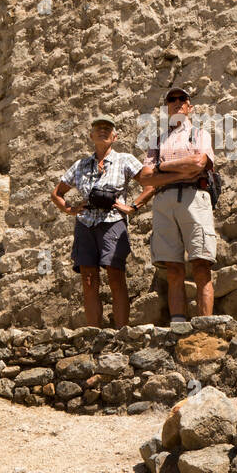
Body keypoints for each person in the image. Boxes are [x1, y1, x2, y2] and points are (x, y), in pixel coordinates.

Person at [52, 115, 152, 327]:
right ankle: (93, 334)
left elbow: (150, 184)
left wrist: (132, 207)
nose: (102, 131)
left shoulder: (125, 159)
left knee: (116, 276)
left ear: (115, 136)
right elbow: (57, 193)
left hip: (113, 221)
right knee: (88, 280)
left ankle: (122, 331)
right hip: (85, 224)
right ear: (91, 135)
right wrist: (69, 209)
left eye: (107, 128)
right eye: (98, 128)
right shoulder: (80, 164)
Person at [136, 86, 216, 323]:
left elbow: (199, 162)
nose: (177, 102)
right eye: (172, 99)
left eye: (183, 99)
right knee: (172, 269)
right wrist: (179, 171)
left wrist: (162, 167)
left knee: (201, 263)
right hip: (165, 203)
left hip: (194, 198)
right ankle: (178, 324)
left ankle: (205, 324)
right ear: (167, 107)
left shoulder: (200, 134)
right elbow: (145, 177)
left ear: (190, 107)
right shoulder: (157, 141)